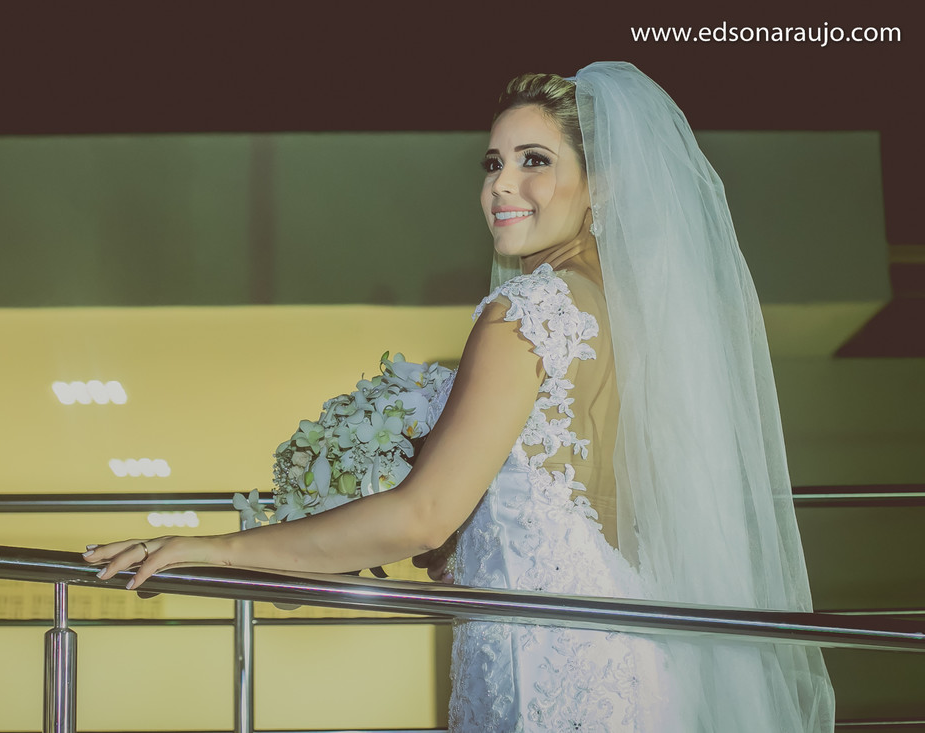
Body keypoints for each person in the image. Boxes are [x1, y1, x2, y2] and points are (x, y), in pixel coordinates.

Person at [84, 61, 835, 731]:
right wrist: (476, 544)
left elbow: (423, 512)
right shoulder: (626, 317)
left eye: (534, 161)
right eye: (493, 162)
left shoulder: (526, 312)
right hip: (624, 657)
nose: (501, 185)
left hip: (546, 672)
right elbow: (585, 508)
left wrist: (211, 547)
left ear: (600, 183)